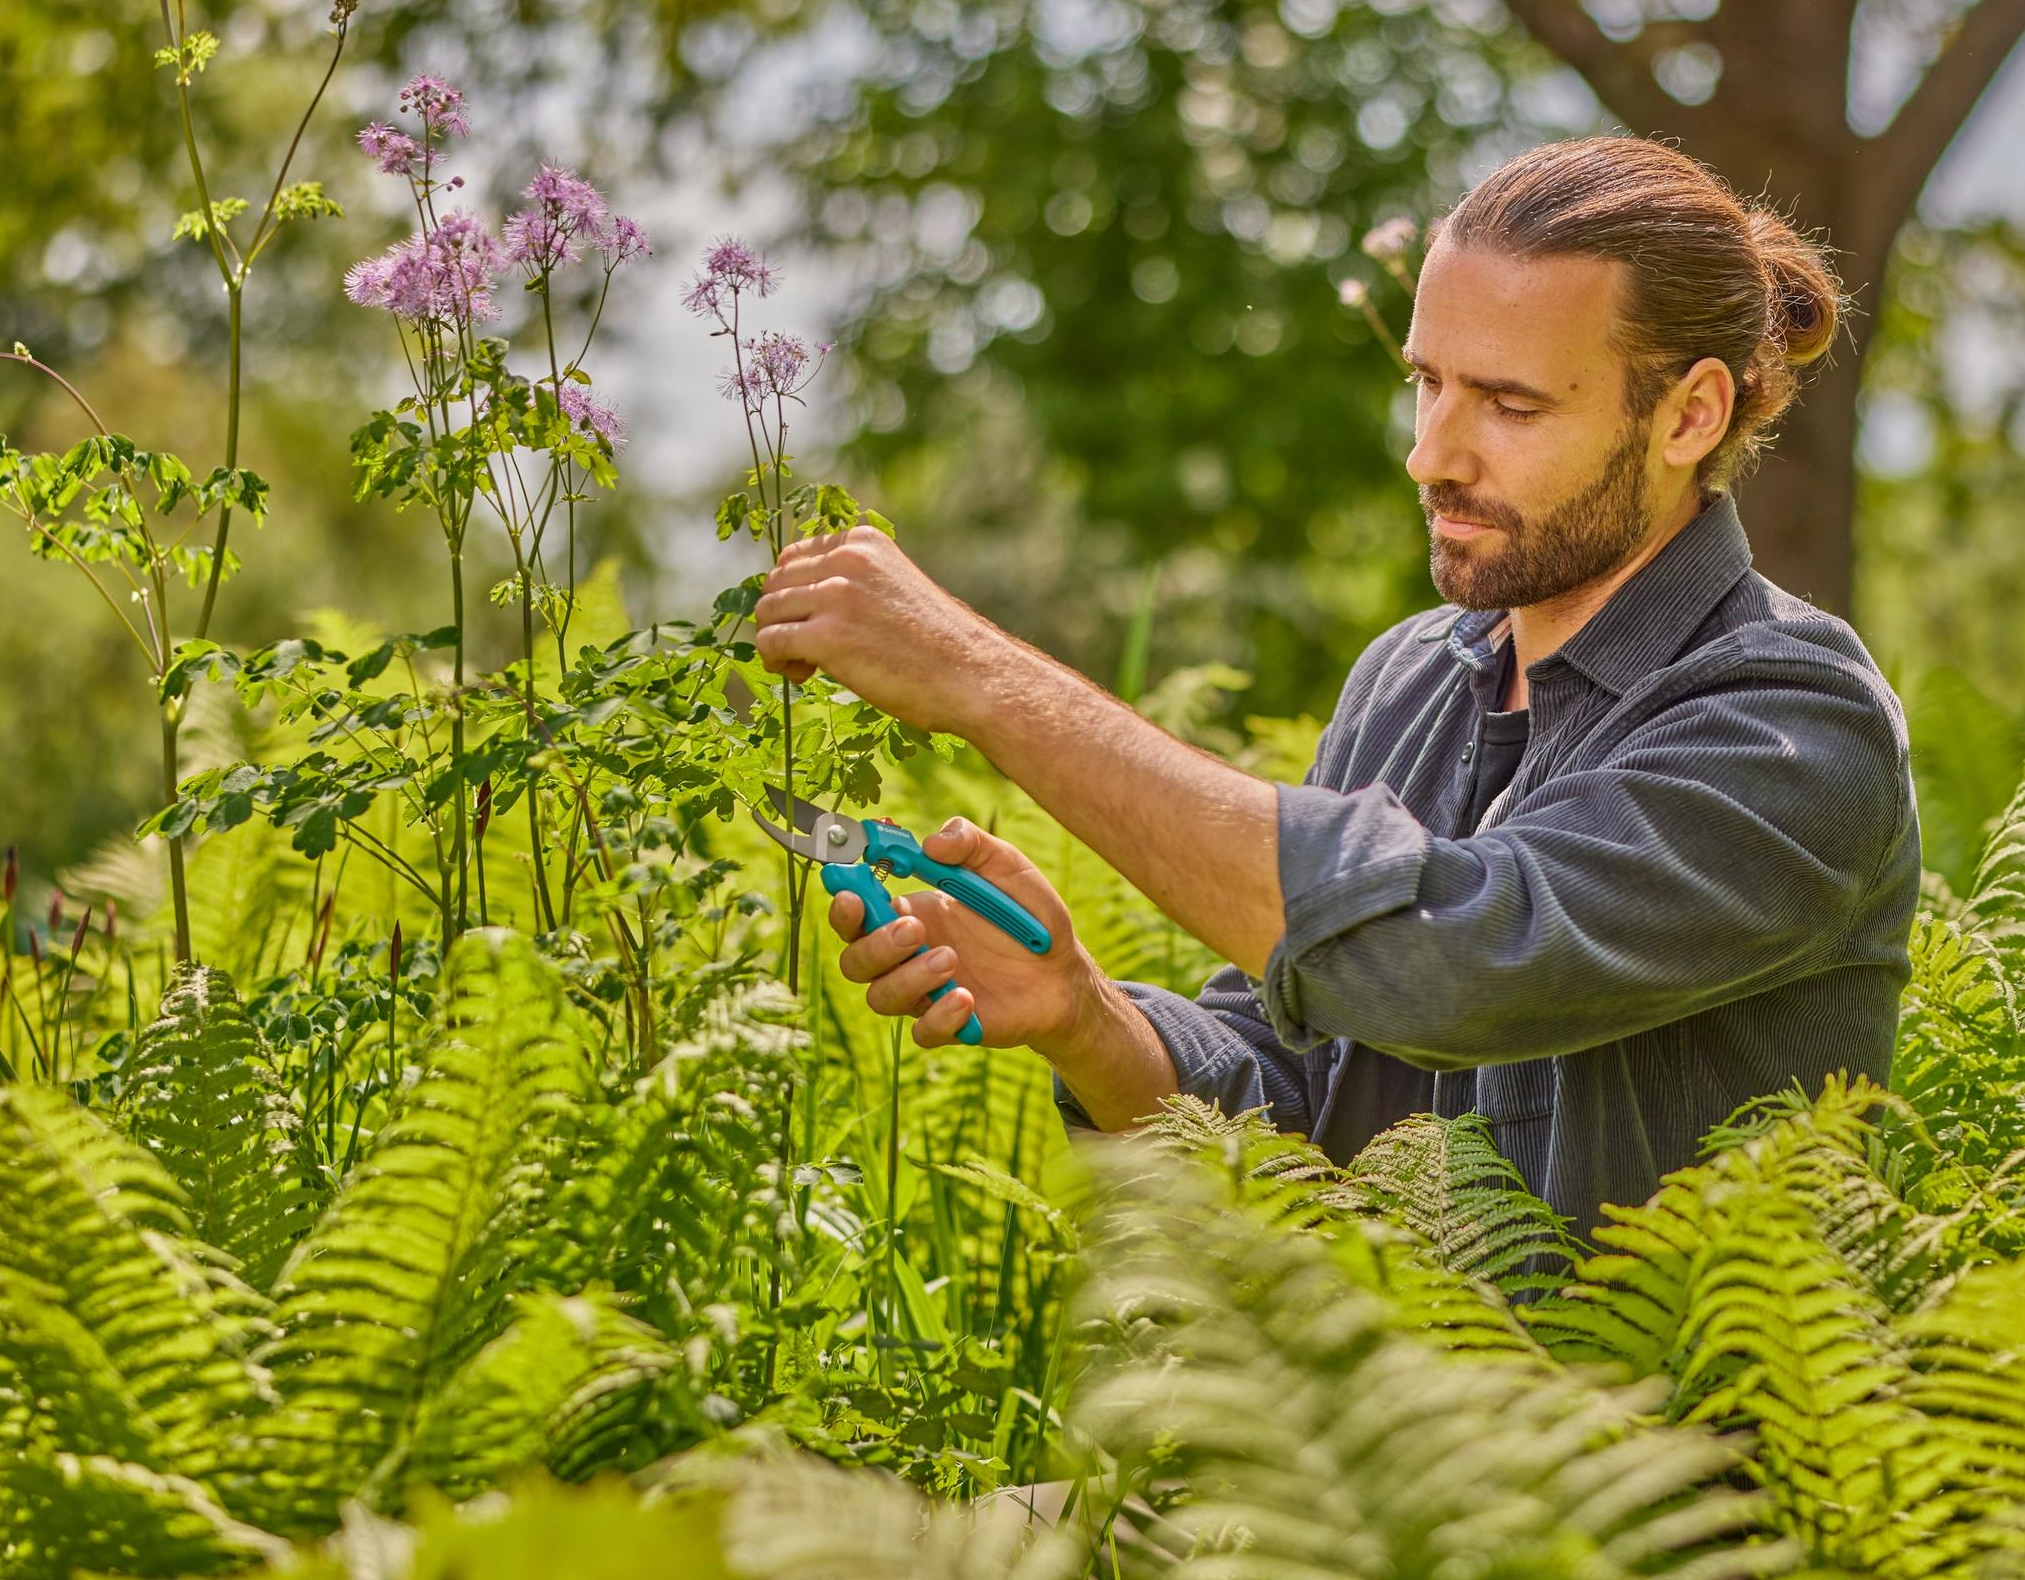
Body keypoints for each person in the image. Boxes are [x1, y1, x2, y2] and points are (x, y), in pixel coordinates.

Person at [751, 134, 1922, 1237]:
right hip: (1382, 1448)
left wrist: (980, 679)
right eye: (1429, 383)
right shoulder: (1408, 682)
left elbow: (1457, 962)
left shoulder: (1791, 721)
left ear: (1690, 413)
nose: (1432, 454)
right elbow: (1286, 1116)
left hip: (1671, 1453)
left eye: (1510, 404)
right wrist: (1081, 1013)